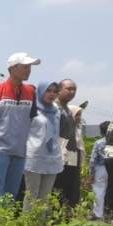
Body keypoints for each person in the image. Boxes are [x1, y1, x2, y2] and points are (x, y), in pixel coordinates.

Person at [0, 53, 40, 211]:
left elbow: (31, 119)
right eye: (25, 67)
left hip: (20, 151)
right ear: (12, 68)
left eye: (30, 67)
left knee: (11, 193)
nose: (29, 70)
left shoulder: (31, 92)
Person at [23, 81, 63, 211]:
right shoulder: (31, 108)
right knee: (31, 194)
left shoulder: (57, 110)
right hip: (34, 156)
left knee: (45, 196)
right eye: (48, 90)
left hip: (53, 157)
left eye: (55, 91)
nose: (52, 94)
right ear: (41, 91)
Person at [52, 80, 81, 208]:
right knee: (58, 189)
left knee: (69, 190)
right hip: (59, 156)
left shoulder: (68, 110)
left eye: (74, 89)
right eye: (68, 89)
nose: (72, 92)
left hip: (70, 157)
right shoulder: (54, 109)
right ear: (59, 89)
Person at [89, 121, 110, 220]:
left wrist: (91, 174)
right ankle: (109, 212)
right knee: (110, 191)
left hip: (100, 168)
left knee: (99, 191)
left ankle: (98, 214)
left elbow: (93, 159)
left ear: (101, 132)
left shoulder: (98, 142)